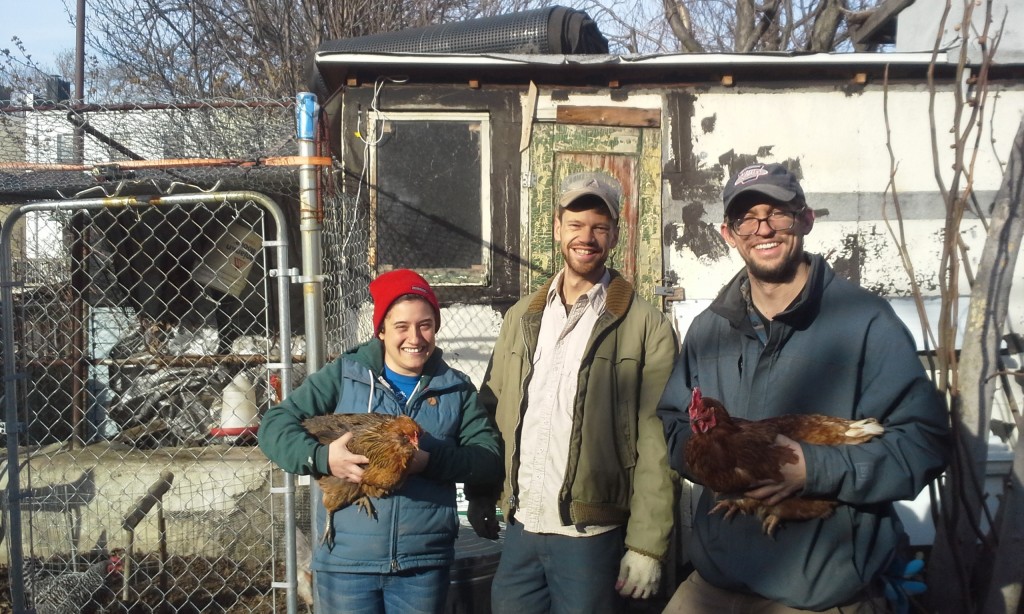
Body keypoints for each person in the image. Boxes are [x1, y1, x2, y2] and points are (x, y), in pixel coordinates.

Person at [657, 163, 951, 612]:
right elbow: (674, 422)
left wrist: (815, 470)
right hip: (715, 582)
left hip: (816, 594)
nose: (763, 229)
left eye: (778, 213)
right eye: (747, 219)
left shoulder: (866, 322)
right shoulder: (708, 329)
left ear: (806, 219)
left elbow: (924, 443)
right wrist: (719, 465)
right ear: (728, 234)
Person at [475, 171, 679, 613]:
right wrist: (480, 493)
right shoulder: (521, 317)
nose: (586, 237)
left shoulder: (645, 327)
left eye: (599, 227)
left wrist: (647, 544)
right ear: (557, 228)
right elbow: (490, 414)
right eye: (576, 224)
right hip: (522, 529)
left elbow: (658, 442)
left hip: (591, 540)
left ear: (615, 235)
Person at [259, 268, 503, 614]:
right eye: (401, 326)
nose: (414, 338)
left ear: (436, 327)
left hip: (422, 563)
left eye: (425, 324)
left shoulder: (456, 388)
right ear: (382, 329)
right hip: (346, 564)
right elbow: (274, 424)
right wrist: (322, 458)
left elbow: (487, 458)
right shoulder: (345, 375)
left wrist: (430, 462)